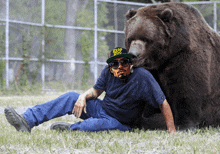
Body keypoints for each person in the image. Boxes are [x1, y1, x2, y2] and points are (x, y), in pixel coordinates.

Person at [4, 47, 178, 134]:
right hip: (102, 108)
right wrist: (83, 96)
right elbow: (95, 92)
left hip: (121, 123)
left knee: (96, 125)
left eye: (124, 62)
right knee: (71, 96)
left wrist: (172, 132)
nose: (119, 66)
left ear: (130, 63)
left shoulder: (142, 77)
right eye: (114, 64)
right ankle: (27, 120)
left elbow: (163, 103)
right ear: (110, 67)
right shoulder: (107, 72)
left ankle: (71, 129)